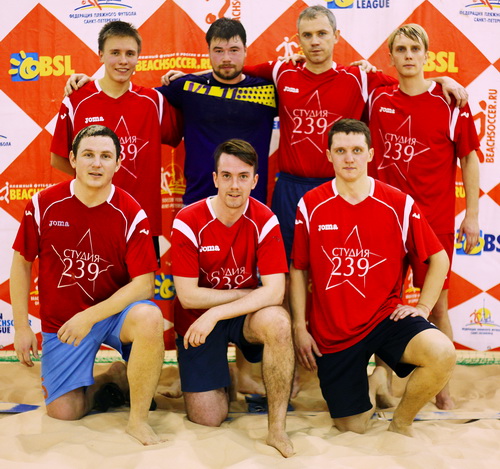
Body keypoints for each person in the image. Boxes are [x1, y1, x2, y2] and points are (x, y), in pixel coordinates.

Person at [243, 5, 468, 261]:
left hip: (336, 188)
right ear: (298, 39)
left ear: (336, 36)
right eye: (307, 35)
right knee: (287, 265)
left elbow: (410, 84)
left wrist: (442, 80)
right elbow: (233, 72)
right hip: (289, 187)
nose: (315, 41)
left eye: (322, 33)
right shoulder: (281, 71)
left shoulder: (358, 77)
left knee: (332, 266)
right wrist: (197, 77)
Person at [290, 119, 456, 437]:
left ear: (370, 154)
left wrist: (422, 307)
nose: (349, 158)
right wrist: (299, 325)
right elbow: (298, 268)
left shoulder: (398, 203)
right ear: (329, 155)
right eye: (341, 151)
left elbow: (440, 259)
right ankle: (376, 380)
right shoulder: (311, 204)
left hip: (385, 319)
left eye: (356, 150)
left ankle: (401, 423)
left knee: (442, 352)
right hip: (334, 333)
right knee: (351, 427)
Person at [11, 125, 165, 445]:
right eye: (88, 155)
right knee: (63, 411)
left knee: (150, 317)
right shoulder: (43, 204)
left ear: (118, 163)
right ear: (72, 159)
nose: (97, 163)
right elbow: (21, 264)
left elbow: (144, 286)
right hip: (64, 323)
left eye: (106, 156)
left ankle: (138, 421)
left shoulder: (131, 212)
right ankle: (114, 380)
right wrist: (22, 326)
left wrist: (89, 316)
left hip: (113, 315)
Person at [368, 24, 480, 409]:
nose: (408, 55)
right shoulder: (378, 97)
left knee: (439, 306)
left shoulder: (450, 101)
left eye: (415, 49)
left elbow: (469, 158)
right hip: (386, 220)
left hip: (433, 222)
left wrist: (472, 216)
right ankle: (383, 382)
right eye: (401, 49)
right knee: (385, 305)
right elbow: (352, 73)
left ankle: (442, 388)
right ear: (391, 57)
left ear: (426, 55)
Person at [170, 139, 295, 457]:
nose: (234, 185)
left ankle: (277, 429)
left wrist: (217, 312)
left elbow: (276, 292)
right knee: (208, 418)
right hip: (197, 321)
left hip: (233, 316)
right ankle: (223, 375)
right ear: (215, 179)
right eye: (226, 176)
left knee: (278, 322)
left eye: (243, 176)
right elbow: (188, 297)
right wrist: (248, 294)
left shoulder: (265, 218)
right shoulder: (188, 219)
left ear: (255, 180)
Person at [51, 20, 182, 259]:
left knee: (142, 285)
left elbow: (193, 123)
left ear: (138, 57)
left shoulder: (154, 101)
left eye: (130, 54)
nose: (123, 61)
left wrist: (188, 83)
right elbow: (58, 158)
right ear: (100, 54)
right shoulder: (77, 100)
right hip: (91, 218)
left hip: (142, 221)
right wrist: (94, 179)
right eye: (115, 53)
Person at [158, 17, 277, 206]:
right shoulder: (187, 87)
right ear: (208, 52)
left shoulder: (268, 91)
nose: (226, 58)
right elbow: (137, 100)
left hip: (251, 205)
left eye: (234, 50)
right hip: (198, 204)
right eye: (219, 51)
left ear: (245, 51)